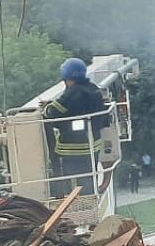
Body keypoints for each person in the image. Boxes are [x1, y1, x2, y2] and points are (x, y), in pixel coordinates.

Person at [42, 58, 109, 195]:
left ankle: (75, 199)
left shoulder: (72, 93)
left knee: (73, 181)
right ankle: (90, 197)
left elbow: (52, 112)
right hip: (93, 145)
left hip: (72, 148)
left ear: (66, 76)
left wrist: (46, 107)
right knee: (89, 177)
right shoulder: (93, 89)